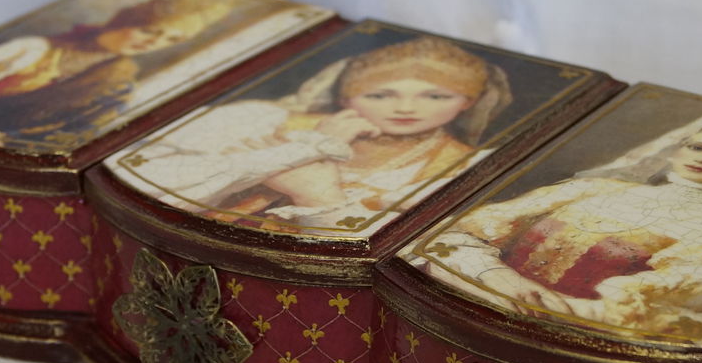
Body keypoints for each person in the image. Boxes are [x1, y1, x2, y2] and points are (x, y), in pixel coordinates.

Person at [424, 112, 702, 337]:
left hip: (571, 343)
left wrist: (539, 308)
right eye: (698, 146)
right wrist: (495, 277)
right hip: (468, 309)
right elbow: (452, 238)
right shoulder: (595, 189)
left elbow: (661, 318)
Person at [126, 35, 511, 234]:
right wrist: (302, 149)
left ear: (467, 102)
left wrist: (314, 192)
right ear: (346, 96)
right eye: (380, 95)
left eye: (435, 96)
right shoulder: (263, 119)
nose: (406, 108)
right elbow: (142, 183)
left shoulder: (461, 165)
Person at [0, 0, 236, 149]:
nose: (152, 43)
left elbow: (89, 131)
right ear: (127, 19)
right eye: (150, 31)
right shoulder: (31, 48)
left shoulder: (119, 77)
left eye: (168, 40)